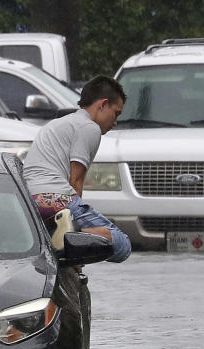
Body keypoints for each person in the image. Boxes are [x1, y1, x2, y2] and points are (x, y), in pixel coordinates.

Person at [23, 75, 132, 262]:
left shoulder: (58, 123)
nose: (115, 122)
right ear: (103, 104)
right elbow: (76, 179)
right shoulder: (89, 127)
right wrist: (78, 250)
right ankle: (70, 236)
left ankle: (58, 237)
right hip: (58, 198)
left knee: (54, 241)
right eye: (116, 113)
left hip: (29, 201)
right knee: (123, 245)